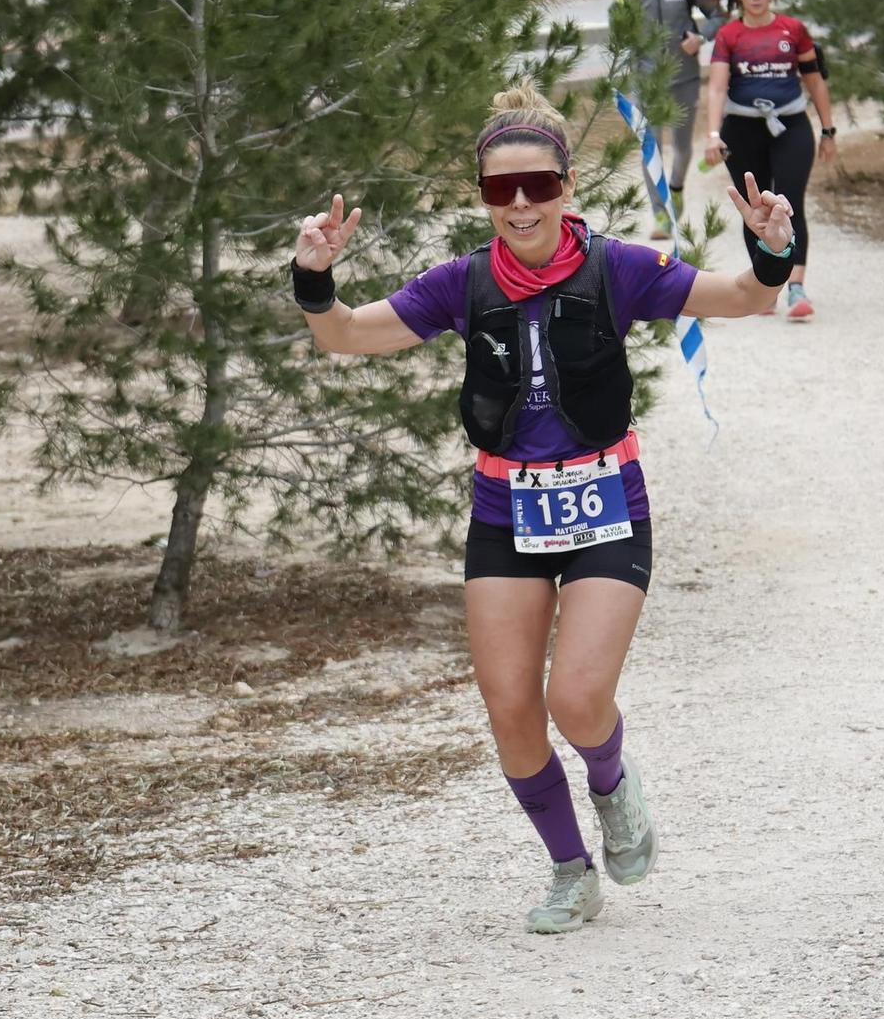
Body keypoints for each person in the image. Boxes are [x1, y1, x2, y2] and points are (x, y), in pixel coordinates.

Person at [290, 85, 798, 933]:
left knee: (578, 699)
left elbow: (746, 298)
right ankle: (570, 869)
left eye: (536, 185)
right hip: (506, 511)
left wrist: (773, 247)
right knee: (512, 709)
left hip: (606, 501)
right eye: (499, 190)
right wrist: (314, 273)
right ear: (482, 197)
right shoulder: (462, 283)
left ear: (567, 184)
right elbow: (342, 333)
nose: (519, 204)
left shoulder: (619, 267)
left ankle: (611, 779)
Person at [703, 0, 836, 320]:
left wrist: (828, 129)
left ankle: (796, 287)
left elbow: (815, 81)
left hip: (790, 125)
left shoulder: (793, 30)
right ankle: (766, 290)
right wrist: (713, 135)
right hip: (742, 129)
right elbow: (715, 87)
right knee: (756, 207)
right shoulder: (729, 36)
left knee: (789, 203)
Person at [613, 0, 723, 240]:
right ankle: (660, 215)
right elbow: (617, 29)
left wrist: (699, 37)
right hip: (645, 81)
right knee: (651, 148)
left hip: (684, 77)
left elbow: (718, 16)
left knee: (683, 147)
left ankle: (676, 188)